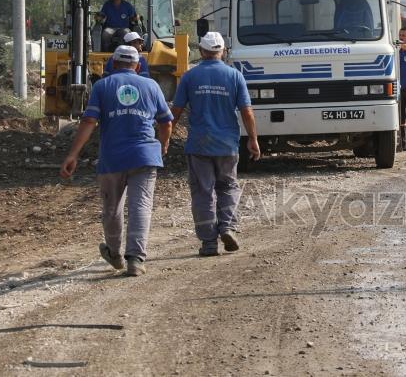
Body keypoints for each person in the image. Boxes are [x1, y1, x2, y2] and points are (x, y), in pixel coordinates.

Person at [60, 45, 173, 276]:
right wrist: (163, 145)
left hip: (113, 158)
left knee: (112, 208)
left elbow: (89, 122)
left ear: (113, 63)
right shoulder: (152, 86)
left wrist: (73, 155)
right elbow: (166, 123)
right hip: (145, 155)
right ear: (138, 65)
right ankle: (136, 259)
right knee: (141, 205)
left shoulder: (102, 86)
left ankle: (114, 253)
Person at [171, 32, 261, 257]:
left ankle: (209, 243)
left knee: (203, 192)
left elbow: (176, 111)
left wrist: (163, 137)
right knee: (228, 187)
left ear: (201, 51)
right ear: (222, 51)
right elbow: (247, 111)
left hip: (199, 144)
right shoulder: (234, 76)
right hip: (227, 143)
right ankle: (227, 227)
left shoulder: (190, 77)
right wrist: (253, 139)